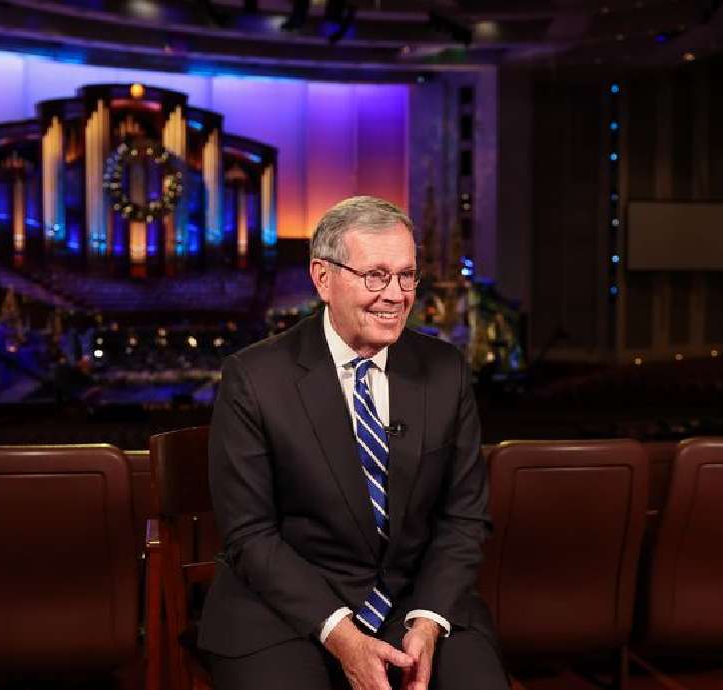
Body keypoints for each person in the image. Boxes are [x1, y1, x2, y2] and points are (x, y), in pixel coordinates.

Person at [199, 196, 508, 690]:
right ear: (323, 278)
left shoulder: (445, 370)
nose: (396, 295)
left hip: (415, 602)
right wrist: (341, 634)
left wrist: (428, 619)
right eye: (376, 276)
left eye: (406, 276)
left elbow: (463, 517)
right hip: (285, 610)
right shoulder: (255, 378)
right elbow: (249, 534)